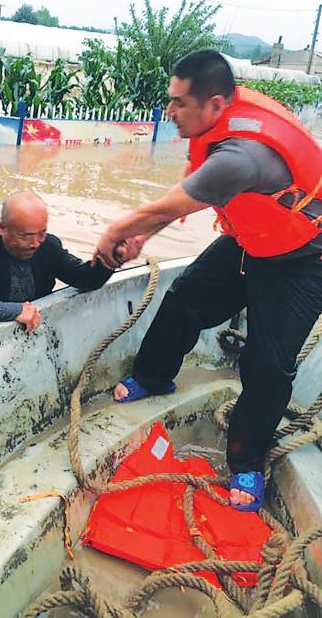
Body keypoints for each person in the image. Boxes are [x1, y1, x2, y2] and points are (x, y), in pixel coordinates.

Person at [94, 49, 322, 512]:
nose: (170, 112)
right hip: (248, 240)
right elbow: (182, 197)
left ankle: (245, 461)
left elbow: (170, 203)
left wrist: (118, 232)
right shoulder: (215, 130)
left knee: (269, 363)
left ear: (215, 104)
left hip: (301, 258)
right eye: (170, 100)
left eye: (179, 103)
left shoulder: (242, 156)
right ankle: (153, 376)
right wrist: (143, 239)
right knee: (185, 297)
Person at [0, 191, 114, 336]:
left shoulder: (48, 247)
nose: (35, 243)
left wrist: (108, 262)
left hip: (32, 331)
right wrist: (14, 310)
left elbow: (85, 279)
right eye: (25, 236)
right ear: (3, 228)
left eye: (41, 233)